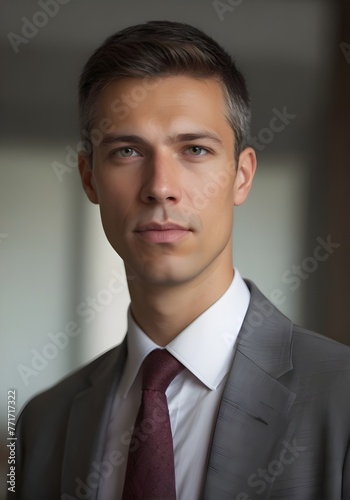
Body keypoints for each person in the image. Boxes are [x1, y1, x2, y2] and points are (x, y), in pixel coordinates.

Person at [10, 20, 350, 500]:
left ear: (242, 176)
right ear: (88, 178)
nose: (160, 186)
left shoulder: (343, 398)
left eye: (194, 149)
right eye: (127, 150)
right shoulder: (39, 427)